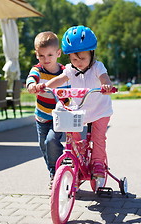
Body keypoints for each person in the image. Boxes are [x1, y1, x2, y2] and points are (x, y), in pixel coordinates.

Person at [35, 25, 114, 178]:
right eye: (73, 59)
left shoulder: (98, 67)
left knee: (98, 138)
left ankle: (98, 163)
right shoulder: (71, 69)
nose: (78, 62)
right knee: (71, 135)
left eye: (82, 58)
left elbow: (105, 78)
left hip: (100, 111)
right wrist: (44, 86)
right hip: (79, 110)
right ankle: (77, 157)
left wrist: (107, 85)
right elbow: (59, 79)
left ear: (92, 54)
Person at [26, 31, 70, 188]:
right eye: (42, 56)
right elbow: (31, 79)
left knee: (51, 141)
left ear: (58, 53)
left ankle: (57, 169)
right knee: (43, 145)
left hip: (59, 117)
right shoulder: (38, 70)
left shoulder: (66, 72)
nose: (46, 60)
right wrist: (32, 86)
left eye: (50, 55)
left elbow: (75, 86)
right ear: (37, 55)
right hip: (42, 116)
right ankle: (54, 170)